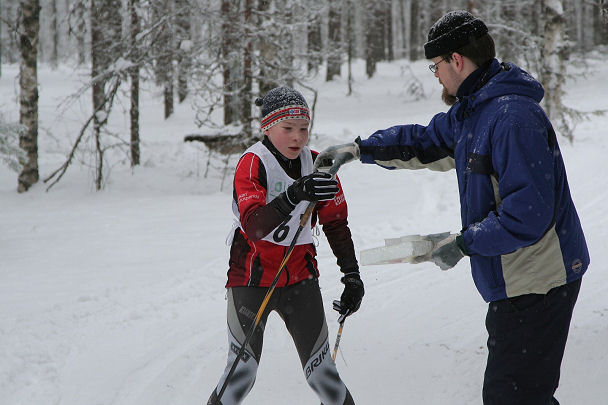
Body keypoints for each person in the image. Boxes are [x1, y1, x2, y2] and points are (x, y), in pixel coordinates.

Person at [317, 10, 589, 405]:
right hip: (516, 279)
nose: (437, 75)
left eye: (437, 66)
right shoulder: (475, 111)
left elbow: (527, 214)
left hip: (539, 281)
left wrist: (464, 243)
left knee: (513, 397)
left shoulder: (512, 117)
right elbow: (426, 141)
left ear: (456, 60)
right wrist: (360, 149)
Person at [207, 86, 363, 405]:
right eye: (288, 129)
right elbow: (255, 226)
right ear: (267, 127)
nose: (297, 138)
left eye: (304, 129)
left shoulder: (320, 163)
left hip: (301, 282)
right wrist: (294, 195)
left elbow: (335, 223)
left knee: (324, 377)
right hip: (252, 280)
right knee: (241, 376)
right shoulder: (253, 162)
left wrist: (352, 276)